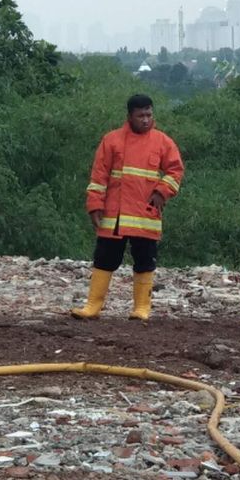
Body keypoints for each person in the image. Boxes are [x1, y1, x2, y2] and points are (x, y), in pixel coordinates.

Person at [71, 94, 184, 322]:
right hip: (115, 216)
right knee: (104, 259)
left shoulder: (163, 142)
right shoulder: (111, 140)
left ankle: (142, 307)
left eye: (149, 115)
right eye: (140, 115)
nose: (145, 120)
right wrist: (94, 204)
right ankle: (93, 305)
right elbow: (98, 175)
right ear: (129, 116)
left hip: (146, 214)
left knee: (145, 260)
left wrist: (162, 191)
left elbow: (176, 171)